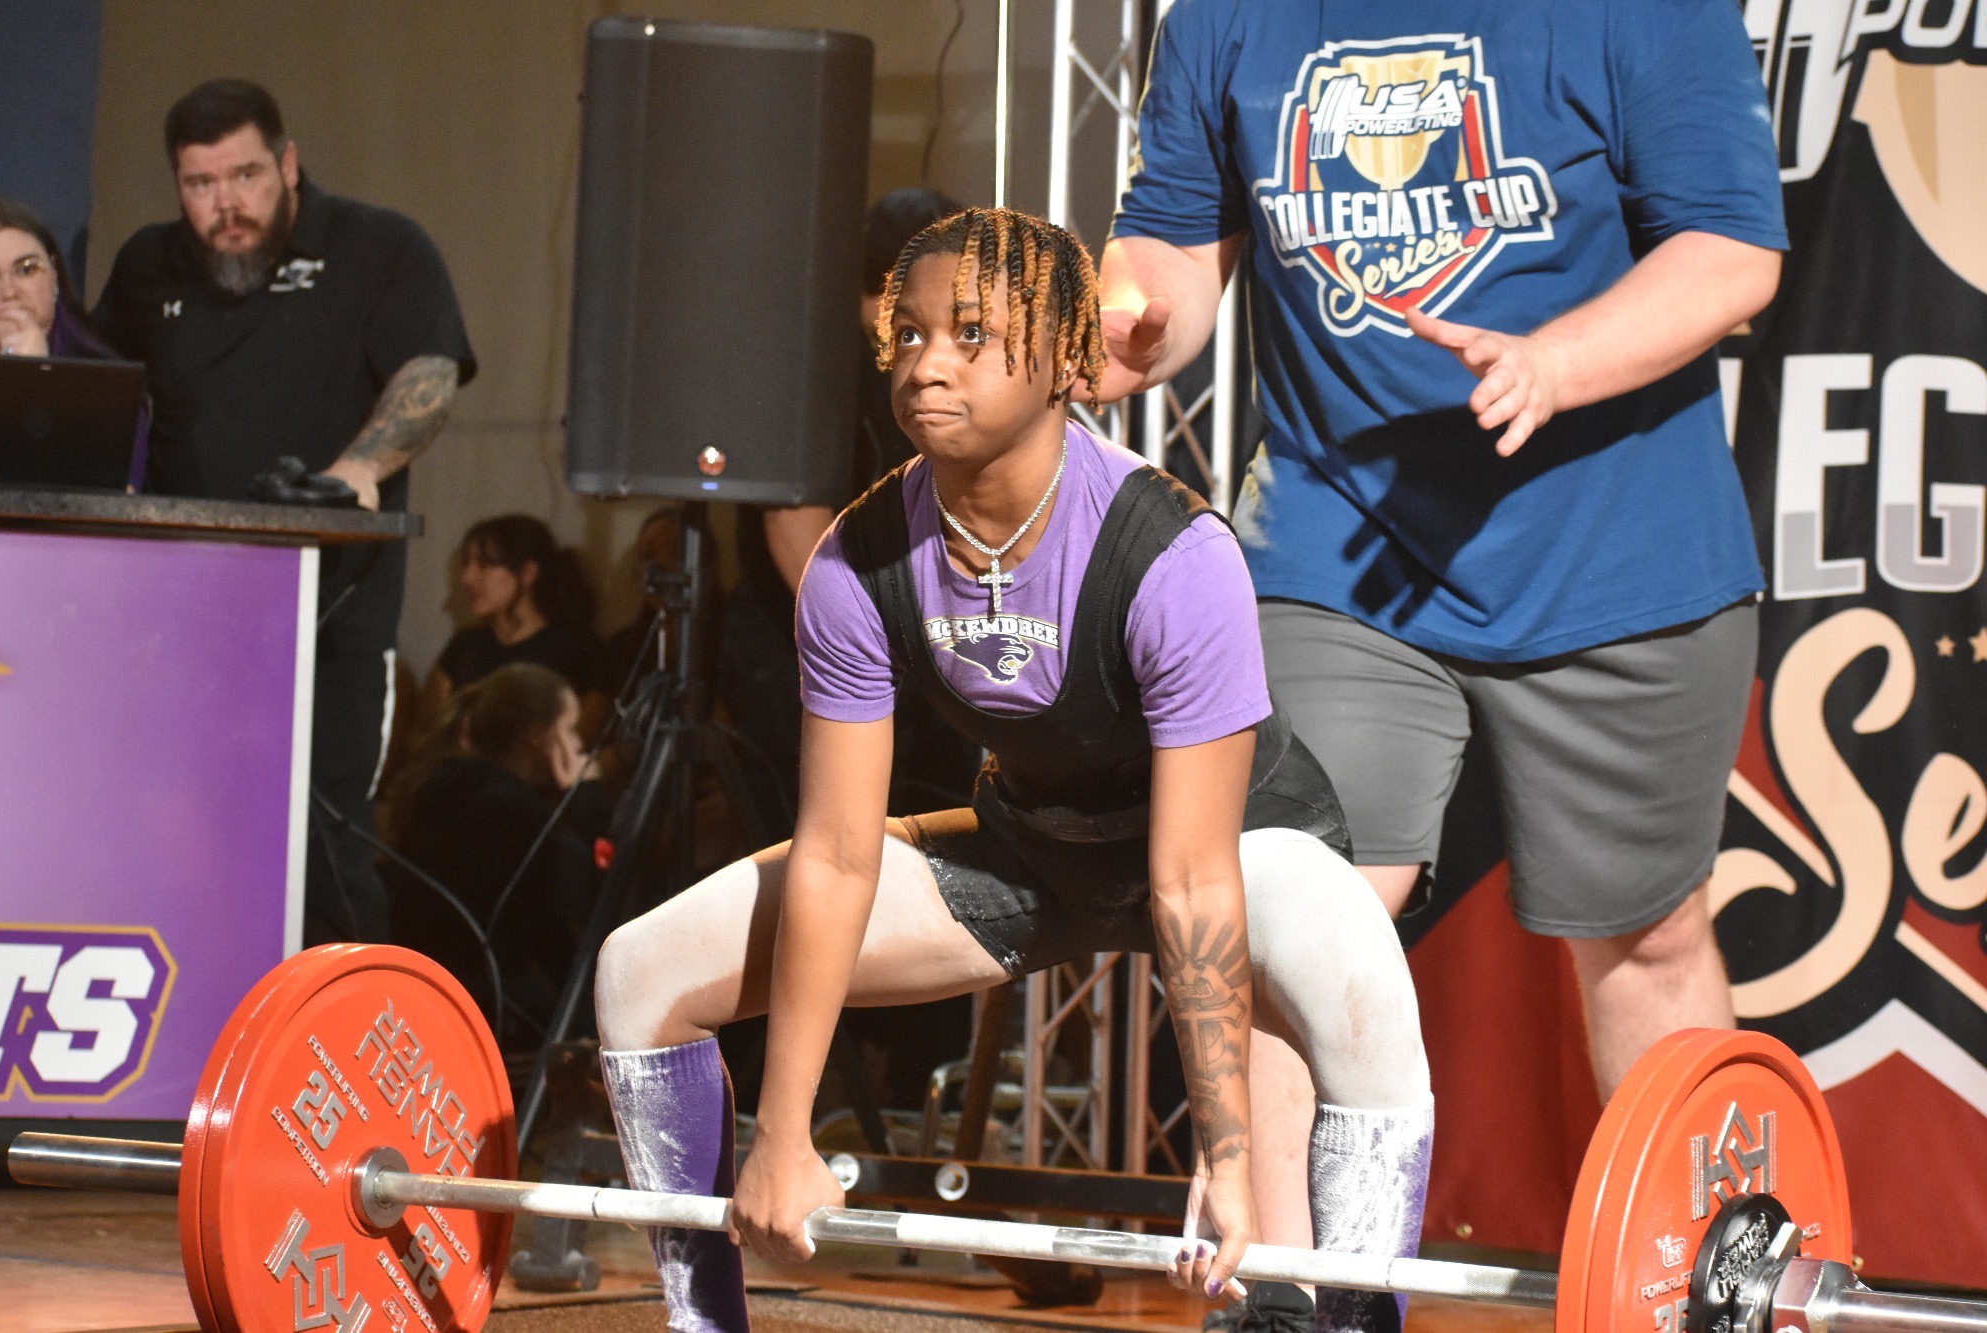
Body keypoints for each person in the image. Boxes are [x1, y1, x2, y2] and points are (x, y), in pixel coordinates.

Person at [593, 209, 1432, 1333]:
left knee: (1366, 995)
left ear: (1069, 366)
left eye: (973, 334)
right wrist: (784, 1132)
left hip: (1239, 847)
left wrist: (1225, 1159)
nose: (928, 363)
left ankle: (1354, 1318)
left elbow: (1187, 880)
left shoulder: (1174, 556)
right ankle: (701, 1324)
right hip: (1037, 851)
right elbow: (838, 857)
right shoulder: (854, 563)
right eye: (909, 335)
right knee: (637, 972)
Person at [1099, 2, 1786, 1324]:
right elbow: (1174, 242)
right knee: (1296, 907)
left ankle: (1694, 1293)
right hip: (1337, 546)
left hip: (1620, 557)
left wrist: (1558, 359)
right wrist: (1131, 318)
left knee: (1644, 942)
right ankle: (1295, 1292)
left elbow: (1730, 249)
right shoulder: (1225, 21)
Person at [95, 79, 476, 946]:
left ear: (289, 163)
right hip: (177, 614)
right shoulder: (148, 265)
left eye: (245, 176)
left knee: (324, 847)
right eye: (200, 184)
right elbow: (99, 392)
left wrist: (360, 467)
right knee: (174, 835)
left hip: (330, 611)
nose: (225, 205)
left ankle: (338, 1062)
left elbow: (433, 372)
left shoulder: (378, 246)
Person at [721, 188, 977, 838]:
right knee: (825, 851)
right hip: (811, 659)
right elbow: (793, 520)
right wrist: (875, 641)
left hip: (905, 655)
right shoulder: (824, 358)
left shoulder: (912, 362)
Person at [390, 662, 604, 1042]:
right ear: (538, 736)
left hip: (412, 993)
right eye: (570, 730)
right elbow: (578, 906)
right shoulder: (521, 819)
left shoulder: (436, 791)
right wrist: (583, 797)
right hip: (486, 1012)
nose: (579, 746)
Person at [0, 197, 149, 488]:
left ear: (55, 276)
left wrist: (38, 380)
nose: (9, 291)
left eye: (26, 269)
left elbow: (106, 508)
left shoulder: (109, 388)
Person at [422, 514, 602, 737]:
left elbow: (579, 743)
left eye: (484, 564)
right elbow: (428, 735)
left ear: (527, 573)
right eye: (466, 564)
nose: (467, 578)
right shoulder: (465, 646)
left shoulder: (574, 649)